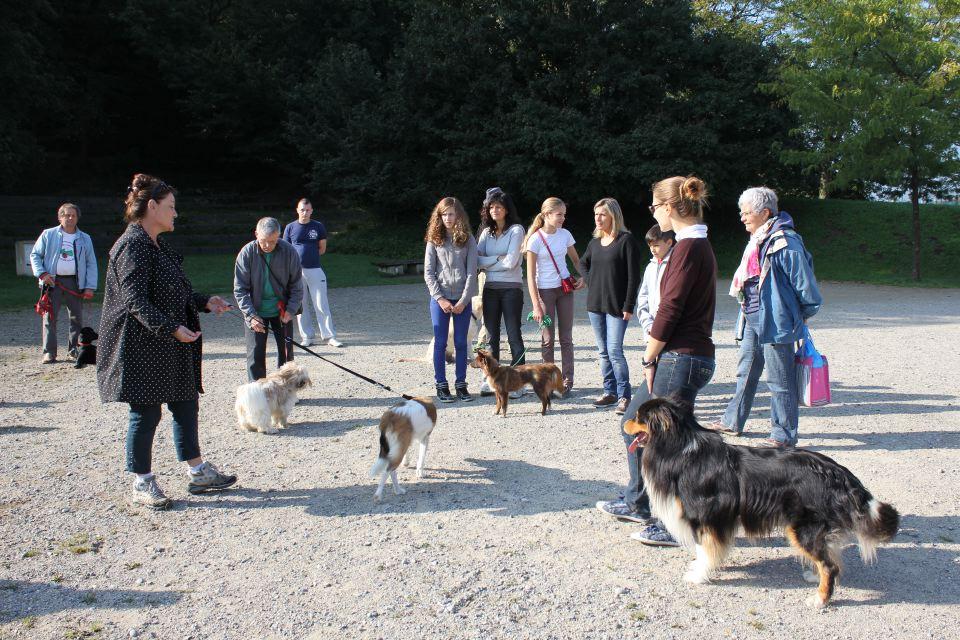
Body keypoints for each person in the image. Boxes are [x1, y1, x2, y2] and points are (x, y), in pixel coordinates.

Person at [97, 174, 236, 510]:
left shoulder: (157, 246)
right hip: (140, 345)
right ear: (152, 206)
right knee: (145, 414)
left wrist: (205, 302)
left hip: (169, 342)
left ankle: (198, 471)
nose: (175, 214)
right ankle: (142, 483)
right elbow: (135, 301)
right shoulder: (132, 246)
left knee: (186, 404)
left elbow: (179, 292)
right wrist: (171, 327)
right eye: (171, 207)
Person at [596, 176, 716, 548]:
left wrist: (649, 355)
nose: (652, 213)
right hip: (682, 355)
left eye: (653, 206)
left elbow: (671, 308)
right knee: (637, 429)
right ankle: (639, 502)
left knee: (665, 443)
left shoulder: (689, 247)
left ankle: (675, 522)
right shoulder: (690, 246)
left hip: (681, 356)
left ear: (668, 207)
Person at [706, 187, 822, 447]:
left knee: (780, 379)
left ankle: (783, 436)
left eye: (746, 213)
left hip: (776, 321)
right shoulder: (760, 239)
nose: (742, 217)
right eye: (742, 212)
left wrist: (798, 317)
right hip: (752, 316)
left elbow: (808, 290)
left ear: (765, 212)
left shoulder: (785, 242)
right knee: (745, 370)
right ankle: (732, 421)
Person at [581, 198, 643, 415]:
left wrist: (629, 305)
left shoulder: (626, 241)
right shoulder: (594, 243)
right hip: (595, 305)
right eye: (596, 214)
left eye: (603, 214)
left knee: (615, 350)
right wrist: (590, 280)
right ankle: (609, 392)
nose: (598, 218)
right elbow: (582, 263)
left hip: (617, 306)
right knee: (603, 352)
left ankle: (625, 396)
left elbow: (634, 277)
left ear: (613, 216)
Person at [524, 197, 584, 398]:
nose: (563, 219)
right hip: (545, 291)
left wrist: (584, 276)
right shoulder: (535, 239)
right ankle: (548, 381)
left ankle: (567, 381)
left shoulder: (565, 234)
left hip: (564, 288)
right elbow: (530, 276)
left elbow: (576, 260)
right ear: (547, 215)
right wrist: (536, 305)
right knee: (547, 340)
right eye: (559, 214)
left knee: (566, 338)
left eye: (564, 215)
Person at [234, 217, 304, 382]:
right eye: (263, 241)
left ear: (279, 236)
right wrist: (251, 315)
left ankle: (286, 390)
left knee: (286, 354)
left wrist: (291, 310)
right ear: (256, 234)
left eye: (272, 241)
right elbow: (240, 289)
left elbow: (297, 285)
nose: (267, 246)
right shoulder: (246, 253)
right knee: (255, 354)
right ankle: (258, 394)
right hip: (256, 310)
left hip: (282, 311)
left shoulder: (289, 251)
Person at [424, 196, 478, 403]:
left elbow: (472, 273)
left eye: (451, 214)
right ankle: (441, 384)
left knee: (461, 342)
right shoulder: (434, 239)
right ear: (439, 216)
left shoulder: (468, 239)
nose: (448, 218)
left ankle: (461, 384)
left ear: (458, 215)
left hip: (462, 300)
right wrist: (440, 299)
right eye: (444, 214)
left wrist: (464, 301)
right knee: (440, 342)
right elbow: (428, 273)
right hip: (441, 300)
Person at [30, 203, 98, 363]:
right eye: (66, 215)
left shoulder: (85, 238)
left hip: (75, 282)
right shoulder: (48, 234)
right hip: (52, 282)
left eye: (73, 215)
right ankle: (49, 353)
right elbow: (35, 255)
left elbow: (91, 263)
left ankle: (73, 350)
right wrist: (42, 273)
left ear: (77, 218)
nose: (70, 218)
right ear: (60, 217)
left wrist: (89, 286)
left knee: (76, 318)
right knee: (49, 317)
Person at [476, 187, 526, 399]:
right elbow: (477, 261)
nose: (494, 210)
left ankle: (519, 382)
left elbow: (512, 262)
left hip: (511, 289)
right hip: (490, 289)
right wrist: (497, 259)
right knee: (491, 337)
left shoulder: (516, 230)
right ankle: (492, 379)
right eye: (491, 207)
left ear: (506, 209)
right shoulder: (486, 232)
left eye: (499, 207)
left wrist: (490, 263)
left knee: (514, 335)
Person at [282, 198, 342, 348]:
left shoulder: (318, 226)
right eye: (302, 209)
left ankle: (329, 336)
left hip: (315, 269)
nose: (305, 212)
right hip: (296, 272)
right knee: (301, 305)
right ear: (297, 210)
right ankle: (307, 337)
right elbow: (286, 250)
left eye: (308, 210)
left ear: (312, 211)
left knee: (321, 304)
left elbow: (322, 248)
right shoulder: (290, 227)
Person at [636, 224, 675, 339]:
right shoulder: (650, 267)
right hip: (650, 331)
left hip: (669, 331)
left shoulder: (675, 265)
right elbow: (643, 297)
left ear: (669, 243)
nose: (652, 249)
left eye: (656, 245)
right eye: (650, 246)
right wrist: (648, 324)